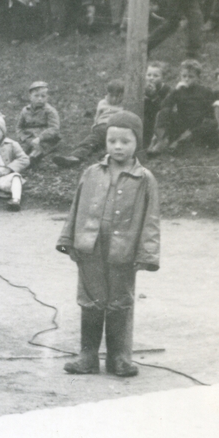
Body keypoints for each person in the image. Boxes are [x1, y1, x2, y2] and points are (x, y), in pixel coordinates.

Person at [57, 110, 160, 378]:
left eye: (125, 141)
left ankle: (119, 358)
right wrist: (68, 239)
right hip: (89, 247)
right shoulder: (91, 172)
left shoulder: (144, 178)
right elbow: (76, 207)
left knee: (120, 302)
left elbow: (151, 219)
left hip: (123, 251)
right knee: (90, 300)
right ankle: (88, 356)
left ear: (137, 143)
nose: (117, 146)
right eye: (112, 140)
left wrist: (147, 253)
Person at [147, 59, 219, 154]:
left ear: (198, 78)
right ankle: (161, 140)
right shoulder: (179, 90)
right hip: (182, 121)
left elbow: (210, 113)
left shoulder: (205, 92)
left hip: (197, 123)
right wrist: (175, 91)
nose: (186, 79)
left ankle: (182, 141)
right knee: (163, 112)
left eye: (191, 77)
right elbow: (164, 105)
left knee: (211, 123)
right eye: (184, 76)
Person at [53, 79, 127, 168]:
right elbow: (97, 116)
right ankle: (75, 157)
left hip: (115, 128)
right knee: (89, 142)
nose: (114, 99)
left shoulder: (125, 104)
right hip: (101, 128)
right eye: (111, 96)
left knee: (114, 144)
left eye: (118, 96)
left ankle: (107, 157)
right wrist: (94, 126)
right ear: (107, 93)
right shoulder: (103, 103)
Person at [0, 112, 29, 210]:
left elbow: (24, 159)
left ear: (3, 132)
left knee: (16, 177)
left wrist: (9, 168)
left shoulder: (11, 144)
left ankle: (15, 200)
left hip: (3, 176)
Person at [16, 80, 61, 163]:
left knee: (36, 153)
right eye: (36, 96)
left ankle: (30, 161)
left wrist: (40, 138)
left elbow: (54, 128)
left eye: (43, 96)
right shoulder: (25, 110)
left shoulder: (50, 111)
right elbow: (19, 127)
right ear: (30, 97)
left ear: (47, 97)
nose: (40, 99)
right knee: (18, 151)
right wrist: (25, 138)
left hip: (45, 139)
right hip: (29, 138)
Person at [142, 61, 171, 149]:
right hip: (147, 120)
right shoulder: (143, 89)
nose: (151, 78)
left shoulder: (166, 90)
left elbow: (164, 107)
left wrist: (154, 96)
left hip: (159, 120)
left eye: (155, 76)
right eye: (149, 75)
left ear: (163, 78)